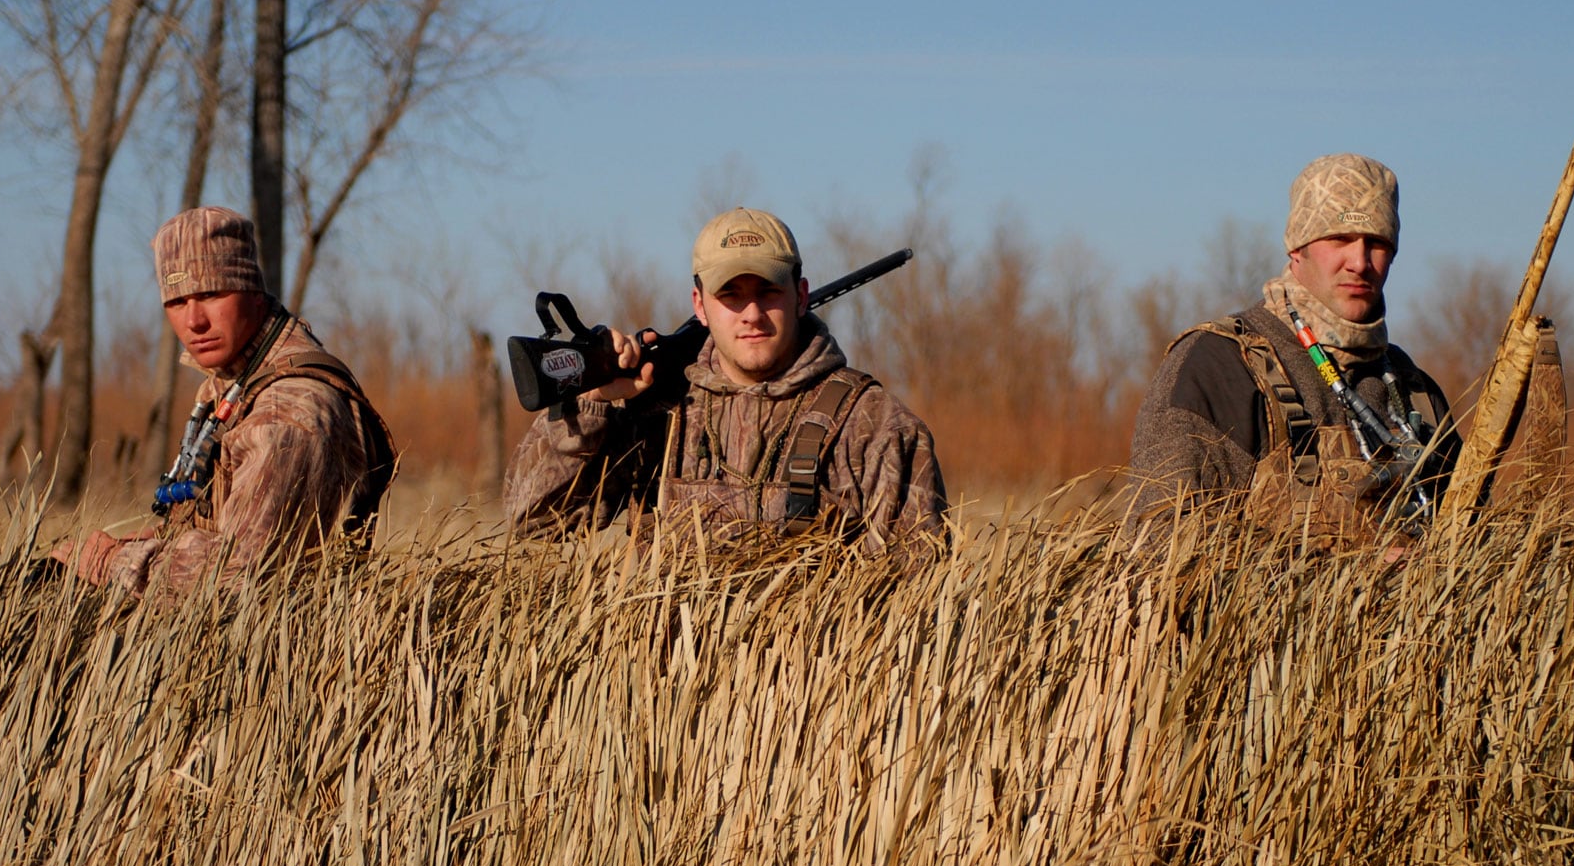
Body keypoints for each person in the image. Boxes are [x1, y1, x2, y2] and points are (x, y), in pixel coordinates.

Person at [504, 207, 947, 554]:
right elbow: (533, 523)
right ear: (699, 305)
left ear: (802, 296)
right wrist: (593, 407)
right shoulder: (655, 413)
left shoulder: (877, 428)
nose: (751, 313)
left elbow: (916, 605)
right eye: (730, 294)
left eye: (768, 291)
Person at [1128, 155, 1474, 541]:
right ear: (1297, 249)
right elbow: (1160, 546)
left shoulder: (1413, 391)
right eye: (1339, 239)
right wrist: (1358, 562)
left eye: (1376, 243)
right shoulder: (1218, 367)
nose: (1359, 262)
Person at [55, 206, 395, 598]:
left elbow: (244, 576)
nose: (194, 321)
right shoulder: (232, 381)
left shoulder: (288, 411)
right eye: (177, 302)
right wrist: (156, 538)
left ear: (253, 292)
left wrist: (114, 563)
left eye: (211, 294)